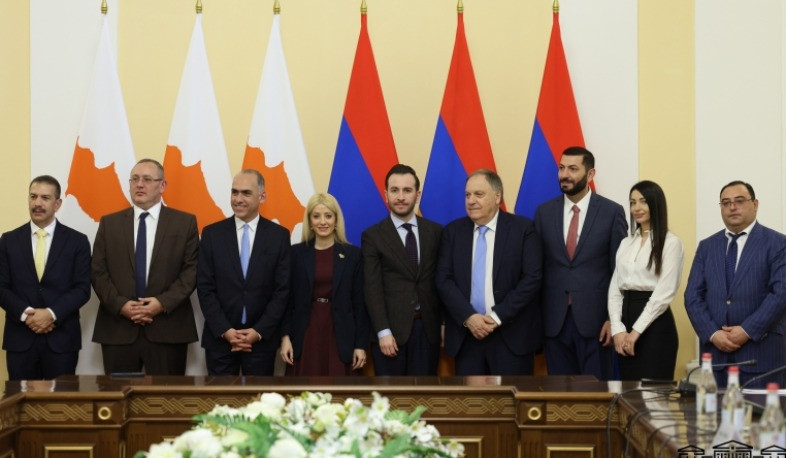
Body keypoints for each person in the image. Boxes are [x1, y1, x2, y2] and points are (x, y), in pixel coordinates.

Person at [92, 159, 199, 375]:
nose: (139, 185)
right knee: (118, 395)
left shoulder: (184, 223)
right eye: (135, 179)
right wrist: (121, 305)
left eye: (147, 179)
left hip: (168, 328)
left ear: (162, 185)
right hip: (118, 329)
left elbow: (191, 271)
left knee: (166, 395)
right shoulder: (109, 223)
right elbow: (98, 272)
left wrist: (161, 303)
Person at [436, 169, 542, 375]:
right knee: (471, 397)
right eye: (467, 195)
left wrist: (496, 317)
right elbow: (443, 280)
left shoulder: (523, 229)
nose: (471, 201)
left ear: (497, 196)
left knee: (512, 396)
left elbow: (532, 279)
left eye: (479, 194)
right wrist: (469, 317)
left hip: (511, 335)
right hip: (467, 336)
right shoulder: (452, 232)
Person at [535, 146, 627, 380]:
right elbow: (537, 269)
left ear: (590, 174)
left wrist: (613, 319)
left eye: (573, 169)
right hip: (554, 323)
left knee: (595, 395)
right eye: (561, 168)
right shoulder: (544, 213)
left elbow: (619, 271)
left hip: (597, 324)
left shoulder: (611, 212)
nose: (565, 175)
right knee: (558, 396)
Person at [685, 180, 786, 388]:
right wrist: (713, 334)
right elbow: (692, 296)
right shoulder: (707, 247)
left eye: (739, 201)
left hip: (762, 356)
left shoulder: (778, 243)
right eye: (726, 203)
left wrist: (747, 330)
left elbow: (780, 293)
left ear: (755, 204)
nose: (732, 207)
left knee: (762, 411)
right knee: (713, 410)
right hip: (716, 359)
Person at [197, 169, 290, 375]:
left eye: (246, 193)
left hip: (261, 342)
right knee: (220, 396)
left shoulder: (279, 236)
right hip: (220, 341)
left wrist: (258, 332)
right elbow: (205, 288)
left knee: (259, 397)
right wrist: (225, 331)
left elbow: (282, 291)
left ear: (262, 197)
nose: (238, 199)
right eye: (234, 192)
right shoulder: (212, 234)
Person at [0, 175, 91, 380]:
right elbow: (2, 286)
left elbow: (82, 289)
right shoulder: (9, 240)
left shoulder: (77, 241)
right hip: (20, 339)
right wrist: (27, 316)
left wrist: (51, 314)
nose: (37, 203)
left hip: (62, 341)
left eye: (45, 198)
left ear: (57, 204)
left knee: (60, 400)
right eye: (33, 197)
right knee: (20, 400)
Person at [362, 164, 442, 375]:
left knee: (424, 393)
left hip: (427, 331)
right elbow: (372, 289)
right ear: (385, 194)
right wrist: (383, 331)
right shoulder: (373, 236)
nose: (400, 197)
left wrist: (443, 324)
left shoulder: (435, 232)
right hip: (390, 334)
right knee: (391, 395)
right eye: (394, 190)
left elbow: (441, 281)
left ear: (417, 194)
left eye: (407, 190)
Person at [280, 193, 369, 375]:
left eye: (328, 216)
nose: (323, 222)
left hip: (341, 334)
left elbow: (360, 304)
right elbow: (287, 300)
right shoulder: (295, 254)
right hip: (305, 333)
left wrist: (360, 345)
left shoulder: (353, 255)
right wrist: (285, 337)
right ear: (310, 221)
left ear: (336, 220)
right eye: (316, 216)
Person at [608, 180, 683, 381]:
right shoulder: (626, 243)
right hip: (626, 322)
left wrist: (635, 332)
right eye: (632, 202)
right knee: (628, 394)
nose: (636, 208)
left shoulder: (671, 242)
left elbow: (663, 294)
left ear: (655, 204)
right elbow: (615, 290)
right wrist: (617, 329)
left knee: (654, 395)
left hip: (655, 326)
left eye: (643, 201)